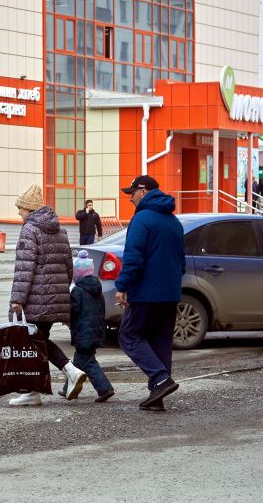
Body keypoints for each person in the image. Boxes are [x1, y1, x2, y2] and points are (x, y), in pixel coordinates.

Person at [9, 184, 88, 405]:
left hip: (37, 299)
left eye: (21, 208)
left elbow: (25, 269)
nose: (19, 212)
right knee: (39, 341)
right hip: (57, 299)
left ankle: (69, 371)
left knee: (35, 342)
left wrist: (17, 300)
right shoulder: (60, 231)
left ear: (30, 209)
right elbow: (69, 267)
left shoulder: (30, 230)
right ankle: (34, 391)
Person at [115, 175, 185, 411]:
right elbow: (181, 261)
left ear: (143, 192)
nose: (130, 199)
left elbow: (133, 256)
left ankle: (161, 379)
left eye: (132, 193)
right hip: (170, 293)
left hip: (145, 292)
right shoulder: (173, 221)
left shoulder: (142, 219)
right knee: (160, 341)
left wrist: (122, 286)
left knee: (129, 336)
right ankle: (158, 395)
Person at [65, 250, 115, 402]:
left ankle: (105, 388)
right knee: (79, 360)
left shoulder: (78, 291)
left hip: (83, 332)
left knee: (88, 361)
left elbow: (72, 311)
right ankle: (67, 387)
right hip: (96, 329)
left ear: (77, 274)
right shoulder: (97, 289)